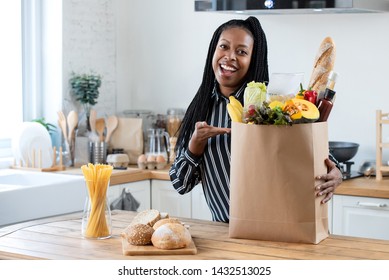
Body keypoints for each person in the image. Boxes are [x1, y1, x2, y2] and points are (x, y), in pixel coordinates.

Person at [169, 16, 343, 223]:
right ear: (213, 52)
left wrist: (337, 173)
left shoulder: (275, 103)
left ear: (254, 59)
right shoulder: (200, 111)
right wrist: (195, 146)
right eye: (223, 46)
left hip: (283, 229)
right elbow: (181, 184)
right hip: (225, 235)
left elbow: (319, 154)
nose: (229, 56)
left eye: (241, 51)